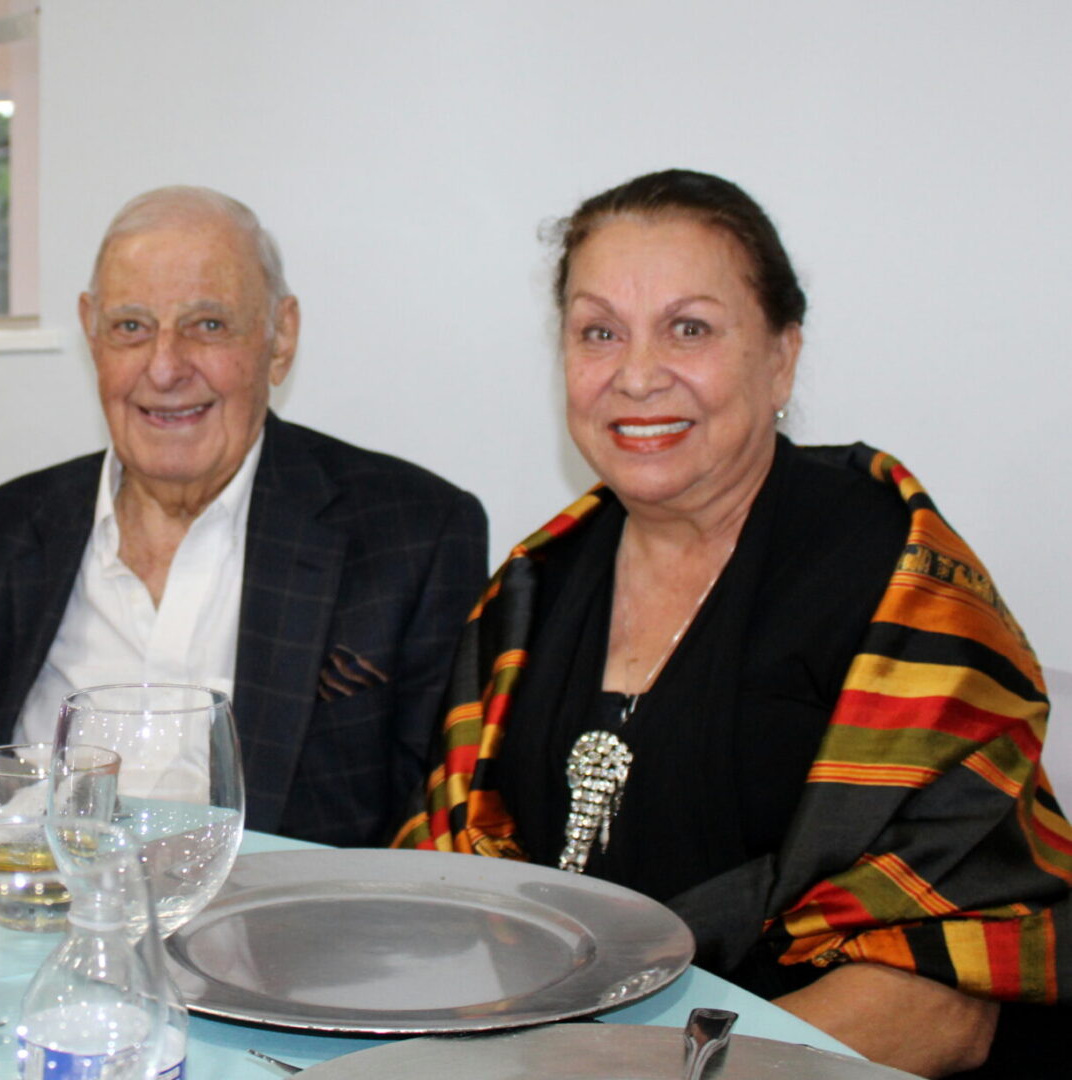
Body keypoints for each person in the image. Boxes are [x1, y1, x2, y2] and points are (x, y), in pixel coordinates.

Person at [397, 169, 1069, 1079]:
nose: (636, 374)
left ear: (781, 356)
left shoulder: (895, 578)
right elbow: (451, 897)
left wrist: (643, 1075)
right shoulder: (531, 590)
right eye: (599, 332)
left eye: (689, 328)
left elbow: (946, 1004)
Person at [0, 186, 486, 848]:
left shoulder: (411, 536)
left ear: (280, 338)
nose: (165, 368)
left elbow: (431, 831)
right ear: (91, 332)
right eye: (131, 327)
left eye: (208, 325)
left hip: (279, 910)